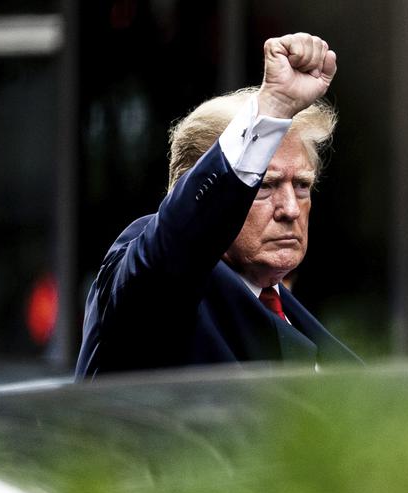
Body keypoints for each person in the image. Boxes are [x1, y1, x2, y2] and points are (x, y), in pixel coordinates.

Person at [75, 33, 362, 380]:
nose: (289, 208)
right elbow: (176, 244)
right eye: (264, 186)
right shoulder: (159, 282)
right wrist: (271, 110)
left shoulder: (290, 313)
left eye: (301, 186)